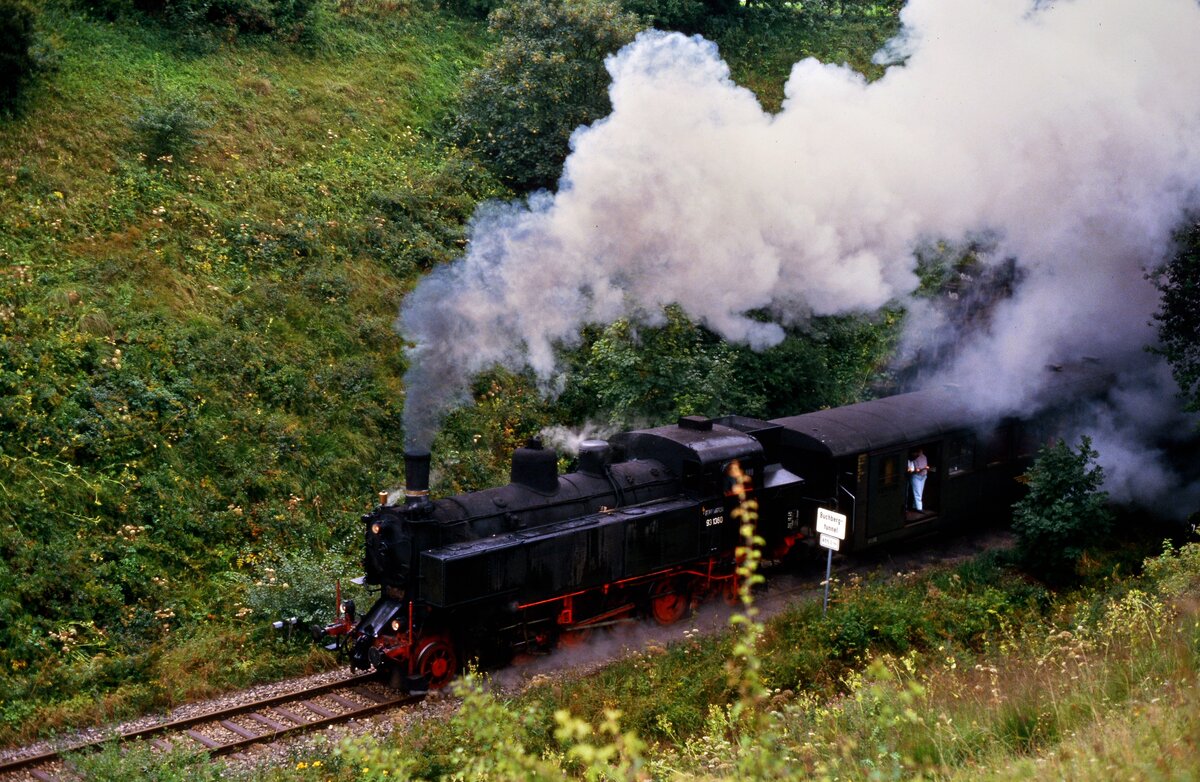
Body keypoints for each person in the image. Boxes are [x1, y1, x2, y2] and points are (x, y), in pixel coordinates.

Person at [907, 447, 929, 511]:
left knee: (920, 492)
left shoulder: (924, 457)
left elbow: (925, 466)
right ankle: (919, 508)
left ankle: (915, 506)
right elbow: (915, 470)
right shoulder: (914, 459)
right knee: (917, 493)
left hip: (923, 476)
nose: (920, 453)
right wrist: (921, 469)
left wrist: (924, 469)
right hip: (916, 476)